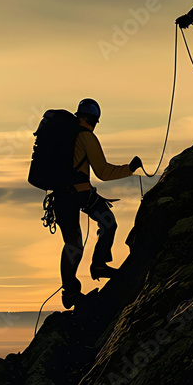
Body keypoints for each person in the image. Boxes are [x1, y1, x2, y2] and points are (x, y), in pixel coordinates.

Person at [52, 99, 141, 309]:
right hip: (81, 194)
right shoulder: (85, 136)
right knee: (108, 223)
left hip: (61, 198)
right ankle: (99, 265)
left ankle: (70, 292)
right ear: (94, 120)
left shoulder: (62, 137)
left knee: (73, 245)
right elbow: (103, 171)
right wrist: (129, 168)